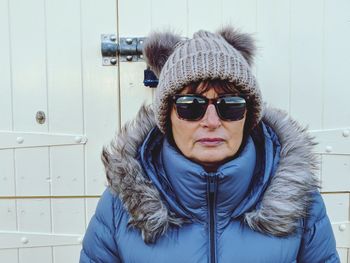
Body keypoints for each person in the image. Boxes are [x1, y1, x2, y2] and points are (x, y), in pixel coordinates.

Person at [80, 26, 339, 262]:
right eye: (191, 106)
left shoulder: (299, 200)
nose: (211, 121)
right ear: (167, 117)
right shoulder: (121, 204)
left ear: (248, 116)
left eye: (231, 105)